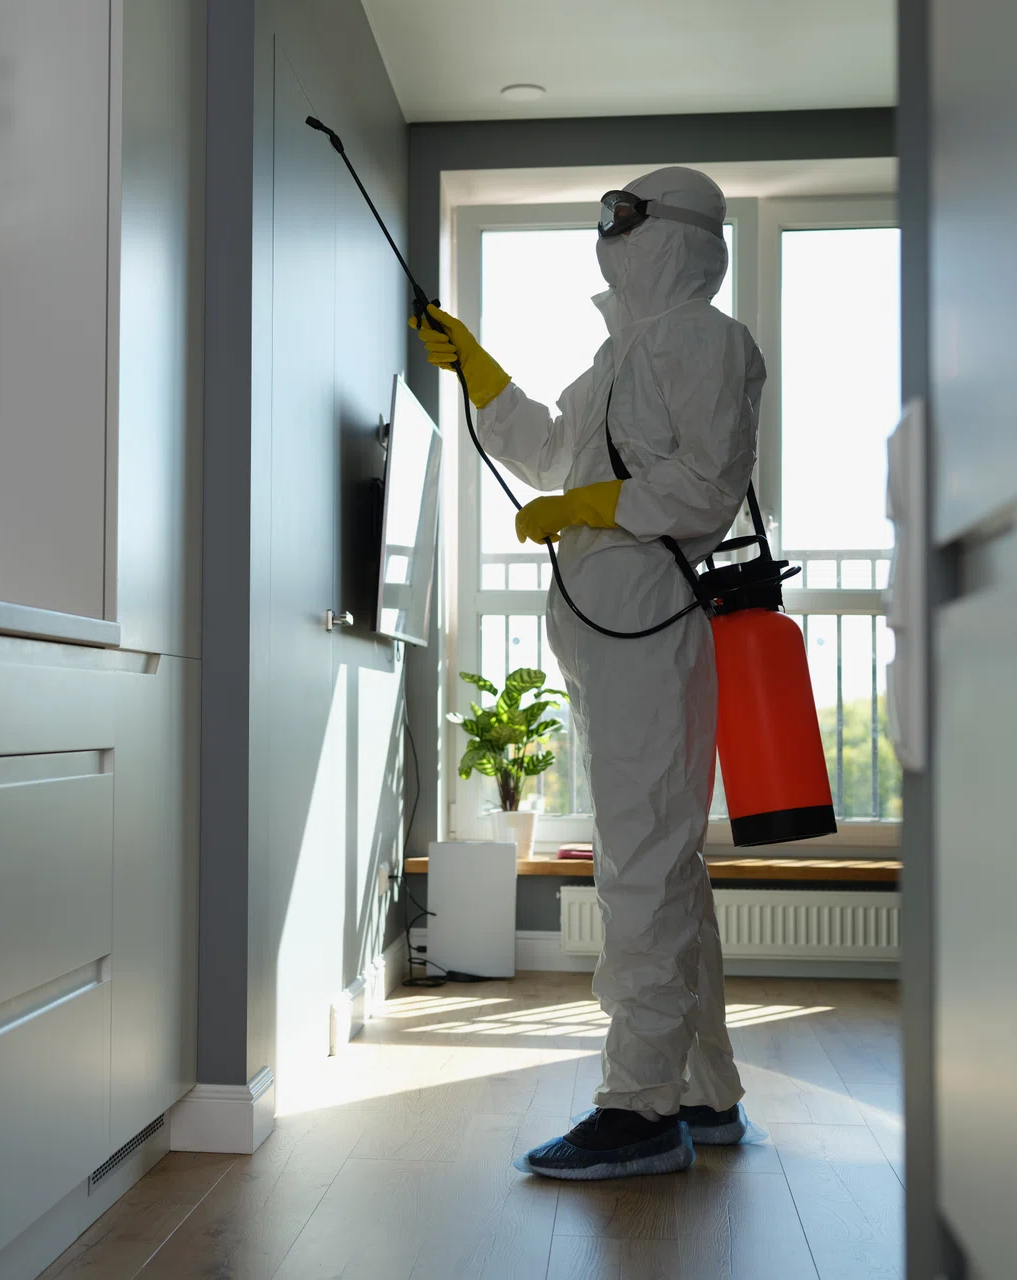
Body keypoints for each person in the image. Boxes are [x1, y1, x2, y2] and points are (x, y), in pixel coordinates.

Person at [411, 167, 763, 1180]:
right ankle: (702, 1086)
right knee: (665, 867)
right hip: (619, 636)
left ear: (673, 237)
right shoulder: (625, 352)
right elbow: (554, 447)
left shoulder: (702, 337)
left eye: (627, 219)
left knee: (641, 867)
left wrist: (586, 508)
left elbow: (702, 486)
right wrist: (479, 369)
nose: (609, 234)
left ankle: (640, 1105)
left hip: (650, 627)